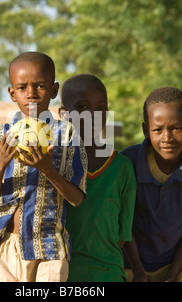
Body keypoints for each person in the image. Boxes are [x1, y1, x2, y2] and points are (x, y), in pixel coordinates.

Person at [0, 52, 87, 282]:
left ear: (53, 91)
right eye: (22, 88)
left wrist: (48, 170)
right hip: (10, 249)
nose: (31, 94)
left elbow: (77, 199)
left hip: (51, 248)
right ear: (12, 93)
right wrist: (1, 164)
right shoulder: (0, 135)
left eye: (40, 86)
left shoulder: (66, 135)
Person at [121, 87, 182, 282]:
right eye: (158, 129)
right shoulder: (126, 164)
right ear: (146, 130)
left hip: (178, 265)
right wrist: (138, 271)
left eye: (176, 128)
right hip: (129, 263)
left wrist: (172, 275)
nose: (167, 137)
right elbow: (123, 222)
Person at [59, 74, 137, 282]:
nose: (93, 115)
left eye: (101, 108)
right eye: (83, 107)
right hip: (61, 275)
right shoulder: (53, 164)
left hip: (108, 274)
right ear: (64, 114)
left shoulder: (122, 167)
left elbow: (122, 236)